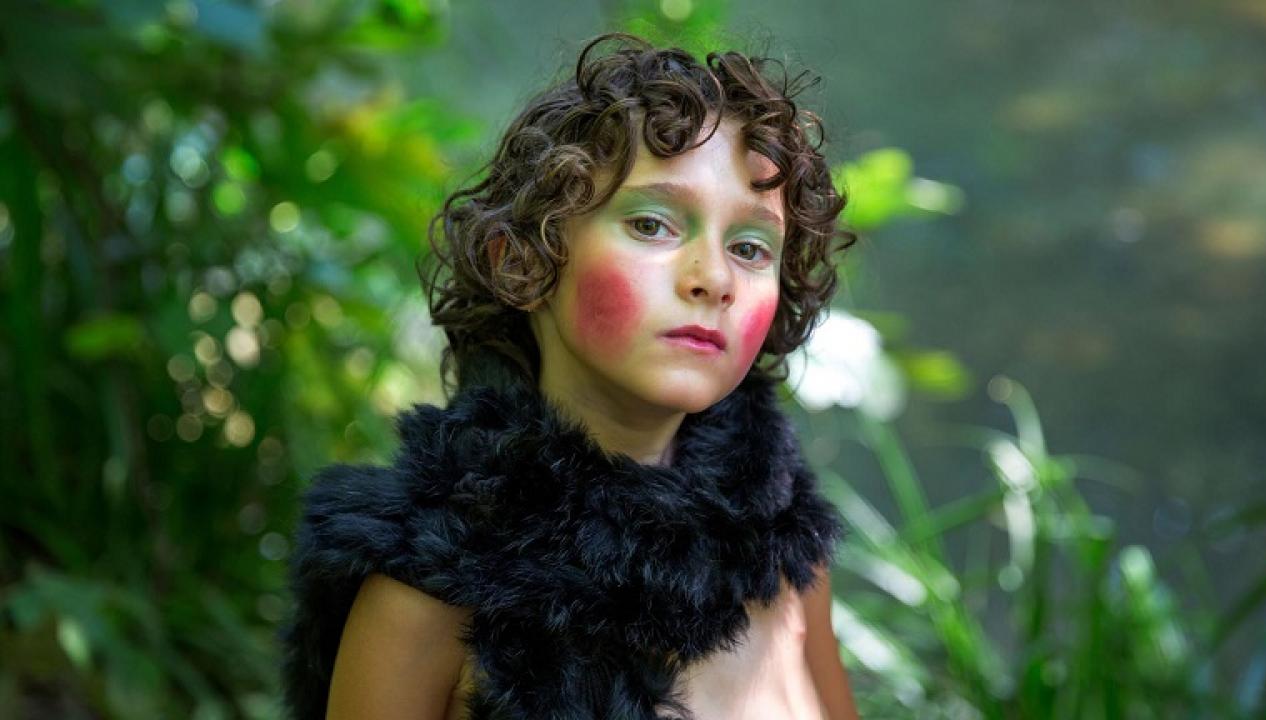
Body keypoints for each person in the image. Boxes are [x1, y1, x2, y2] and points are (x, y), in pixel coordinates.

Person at [279, 32, 861, 720]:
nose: (713, 278)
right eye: (651, 225)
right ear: (522, 261)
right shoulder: (426, 593)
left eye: (750, 246)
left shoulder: (789, 562)